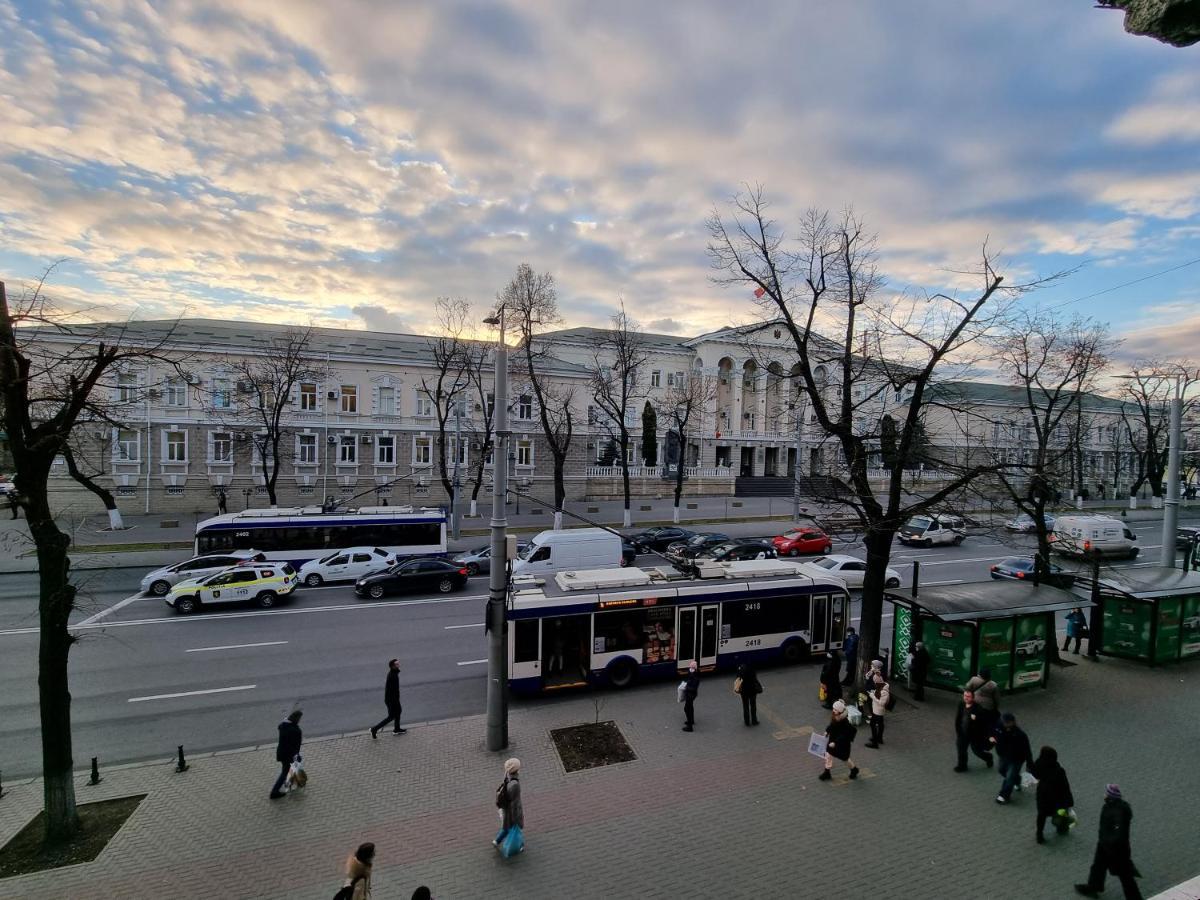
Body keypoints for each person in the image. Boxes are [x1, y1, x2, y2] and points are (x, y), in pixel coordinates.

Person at [1075, 785, 1142, 899]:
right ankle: (1093, 886)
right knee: (1098, 866)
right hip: (1105, 845)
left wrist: (1109, 842)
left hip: (1115, 849)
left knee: (1125, 875)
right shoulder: (1113, 806)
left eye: (1106, 793)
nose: (1104, 795)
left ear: (1110, 796)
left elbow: (1119, 832)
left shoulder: (1117, 811)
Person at [1029, 746, 1074, 845]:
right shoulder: (1059, 770)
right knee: (1059, 813)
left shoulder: (1039, 764)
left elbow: (1034, 774)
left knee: (1042, 815)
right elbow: (1065, 786)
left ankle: (1039, 834)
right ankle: (1061, 828)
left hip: (1043, 796)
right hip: (1057, 797)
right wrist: (1069, 800)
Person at [989, 712, 1034, 804]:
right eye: (1005, 722)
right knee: (1001, 770)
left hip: (1016, 759)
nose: (1006, 724)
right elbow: (992, 732)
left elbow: (1027, 750)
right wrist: (992, 737)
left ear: (1013, 722)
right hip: (1003, 755)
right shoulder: (999, 727)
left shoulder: (1020, 734)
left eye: (1008, 723)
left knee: (1009, 777)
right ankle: (1017, 780)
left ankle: (1003, 796)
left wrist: (1030, 764)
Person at [819, 699, 859, 782]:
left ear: (840, 711)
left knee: (845, 758)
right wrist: (827, 731)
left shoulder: (845, 722)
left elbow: (845, 735)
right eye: (833, 709)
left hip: (842, 744)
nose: (833, 711)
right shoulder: (835, 716)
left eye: (835, 710)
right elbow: (831, 725)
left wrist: (835, 743)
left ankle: (854, 769)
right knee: (828, 755)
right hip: (832, 741)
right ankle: (827, 772)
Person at [954, 690, 994, 772]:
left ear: (973, 698)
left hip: (974, 735)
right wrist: (958, 731)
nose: (966, 698)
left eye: (968, 696)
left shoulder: (978, 708)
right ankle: (962, 766)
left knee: (977, 751)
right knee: (961, 750)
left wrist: (976, 719)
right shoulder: (961, 704)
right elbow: (958, 718)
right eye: (965, 696)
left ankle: (988, 757)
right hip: (962, 733)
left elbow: (984, 723)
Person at [493, 757, 525, 855]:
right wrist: (518, 819)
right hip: (512, 813)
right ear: (517, 770)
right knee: (516, 830)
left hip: (505, 810)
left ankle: (497, 840)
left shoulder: (507, 778)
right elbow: (515, 803)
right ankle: (519, 845)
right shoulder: (515, 784)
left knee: (506, 827)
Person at [270, 709, 303, 799]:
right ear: (296, 719)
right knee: (286, 771)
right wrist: (296, 755)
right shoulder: (296, 730)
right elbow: (297, 745)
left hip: (281, 752)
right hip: (289, 755)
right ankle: (274, 791)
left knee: (288, 769)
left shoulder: (283, 726)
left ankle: (292, 782)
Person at [370, 658, 405, 738]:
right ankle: (374, 729)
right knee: (391, 716)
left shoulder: (394, 673)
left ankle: (397, 729)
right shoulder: (392, 675)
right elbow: (392, 690)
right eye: (397, 664)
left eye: (398, 663)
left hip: (393, 699)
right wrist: (395, 700)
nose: (399, 665)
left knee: (398, 711)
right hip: (391, 700)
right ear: (392, 666)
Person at [865, 672, 890, 749]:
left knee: (873, 724)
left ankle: (875, 743)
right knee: (880, 723)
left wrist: (873, 696)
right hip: (877, 710)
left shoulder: (884, 691)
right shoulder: (880, 686)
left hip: (878, 711)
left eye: (874, 681)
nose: (874, 682)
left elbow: (881, 703)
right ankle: (879, 738)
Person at [736, 662, 762, 726]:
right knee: (753, 706)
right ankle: (754, 721)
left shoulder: (741, 670)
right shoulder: (752, 669)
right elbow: (755, 679)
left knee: (745, 706)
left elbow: (738, 678)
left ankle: (747, 722)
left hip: (744, 691)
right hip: (752, 690)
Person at [682, 660, 700, 732]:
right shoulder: (693, 675)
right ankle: (691, 721)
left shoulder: (694, 676)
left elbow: (693, 687)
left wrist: (686, 687)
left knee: (687, 708)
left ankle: (690, 726)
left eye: (691, 668)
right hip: (691, 694)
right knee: (690, 707)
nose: (689, 669)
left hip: (690, 694)